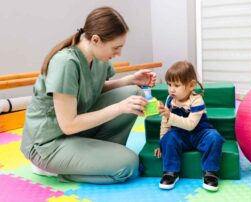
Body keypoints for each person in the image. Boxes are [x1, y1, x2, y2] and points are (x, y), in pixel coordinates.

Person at [20, 6, 156, 184]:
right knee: (128, 165)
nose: (119, 54)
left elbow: (93, 88)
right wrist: (118, 108)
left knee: (133, 93)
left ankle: (97, 156)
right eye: (116, 48)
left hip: (74, 131)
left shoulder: (97, 58)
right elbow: (68, 125)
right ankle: (54, 170)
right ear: (96, 40)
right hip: (48, 143)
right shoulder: (66, 63)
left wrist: (131, 79)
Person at [154, 61, 225, 191]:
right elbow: (165, 123)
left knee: (214, 137)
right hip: (180, 135)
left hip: (200, 133)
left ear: (191, 85)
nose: (171, 89)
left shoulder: (197, 100)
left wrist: (170, 115)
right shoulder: (170, 100)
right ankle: (170, 172)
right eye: (169, 84)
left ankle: (210, 172)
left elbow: (191, 125)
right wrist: (162, 142)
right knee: (169, 137)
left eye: (176, 85)